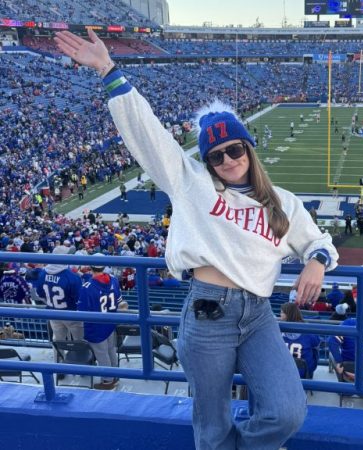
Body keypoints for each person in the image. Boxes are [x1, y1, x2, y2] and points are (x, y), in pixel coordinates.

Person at [55, 28, 338, 449]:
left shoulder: (283, 202)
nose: (227, 160)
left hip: (258, 313)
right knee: (211, 423)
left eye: (235, 150)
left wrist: (317, 261)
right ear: (206, 160)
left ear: (249, 148)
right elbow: (148, 134)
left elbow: (319, 241)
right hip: (208, 312)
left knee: (286, 411)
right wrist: (108, 70)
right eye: (216, 155)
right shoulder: (190, 183)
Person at [77, 254, 122, 390]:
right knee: (111, 350)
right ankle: (116, 374)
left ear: (91, 267)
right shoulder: (114, 280)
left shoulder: (87, 287)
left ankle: (108, 381)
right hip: (111, 322)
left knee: (102, 354)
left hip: (96, 327)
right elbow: (120, 302)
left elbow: (81, 312)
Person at [36, 246, 84, 361]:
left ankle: (58, 364)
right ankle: (81, 363)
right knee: (79, 341)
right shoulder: (72, 277)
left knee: (58, 341)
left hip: (53, 313)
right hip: (71, 313)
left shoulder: (43, 274)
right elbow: (79, 300)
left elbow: (40, 294)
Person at [280, 303, 320, 379]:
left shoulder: (279, 330)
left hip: (283, 371)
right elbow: (316, 342)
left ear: (288, 314)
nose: (280, 315)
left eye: (282, 312)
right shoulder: (307, 329)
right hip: (304, 372)